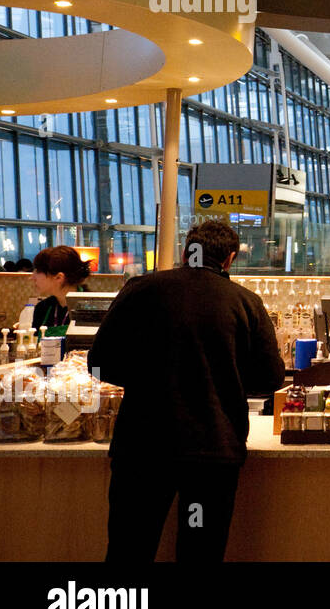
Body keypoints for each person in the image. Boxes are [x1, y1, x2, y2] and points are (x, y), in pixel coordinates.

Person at [87, 220, 284, 562]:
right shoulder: (246, 302)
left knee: (129, 549)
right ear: (230, 259)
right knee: (199, 553)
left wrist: (146, 378)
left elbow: (99, 363)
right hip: (210, 455)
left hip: (142, 449)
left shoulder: (140, 289)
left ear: (185, 252)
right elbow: (269, 379)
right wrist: (229, 379)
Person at [30, 246, 92, 335]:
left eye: (38, 271)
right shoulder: (42, 308)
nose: (32, 277)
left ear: (59, 277)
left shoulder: (90, 308)